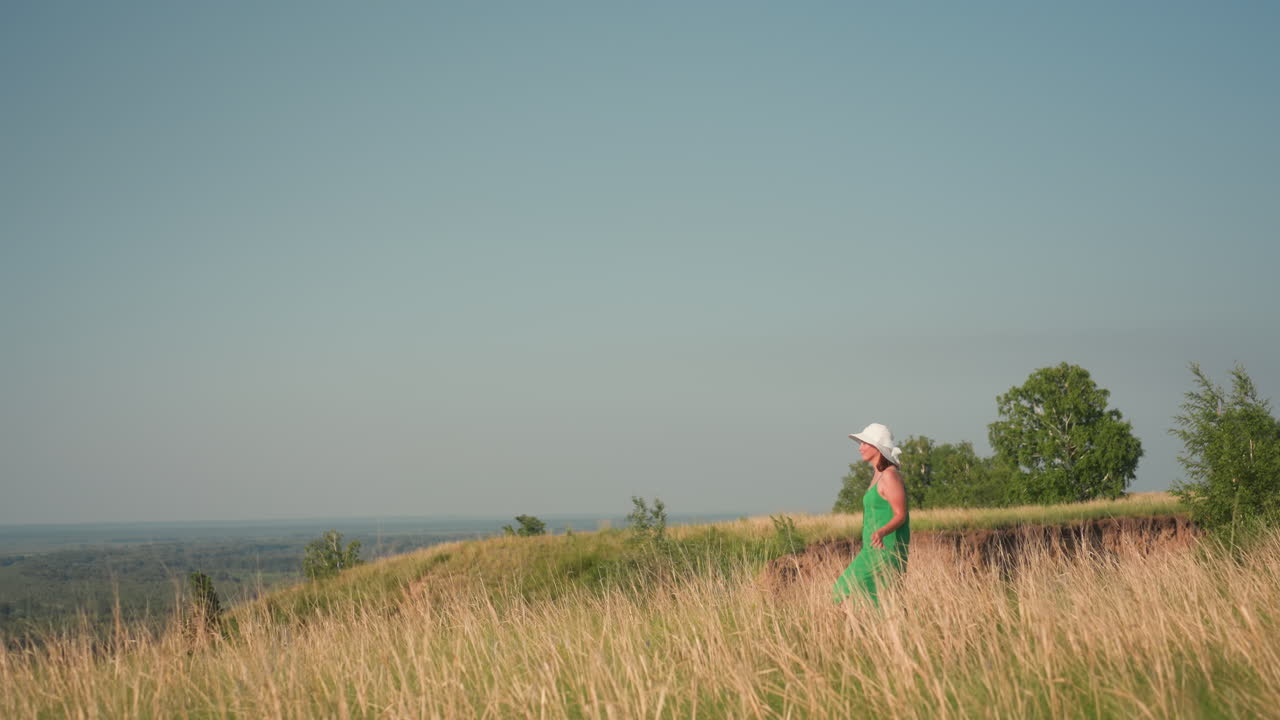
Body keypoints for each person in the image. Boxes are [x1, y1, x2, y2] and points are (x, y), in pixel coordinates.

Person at [833, 422, 910, 607]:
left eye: (864, 443)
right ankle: (884, 634)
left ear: (877, 447)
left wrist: (882, 532)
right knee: (876, 601)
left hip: (885, 548)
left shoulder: (890, 476)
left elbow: (901, 514)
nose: (860, 448)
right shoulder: (878, 475)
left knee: (841, 590)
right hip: (872, 548)